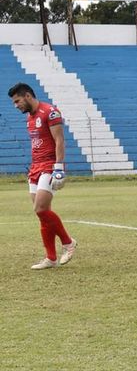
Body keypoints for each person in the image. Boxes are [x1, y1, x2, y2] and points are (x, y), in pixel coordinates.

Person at [8, 82, 77, 270]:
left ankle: (68, 243)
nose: (16, 106)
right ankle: (51, 258)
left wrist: (59, 168)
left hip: (49, 166)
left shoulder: (50, 112)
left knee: (40, 209)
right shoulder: (30, 118)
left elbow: (59, 140)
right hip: (35, 167)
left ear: (28, 96)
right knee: (43, 215)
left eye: (17, 101)